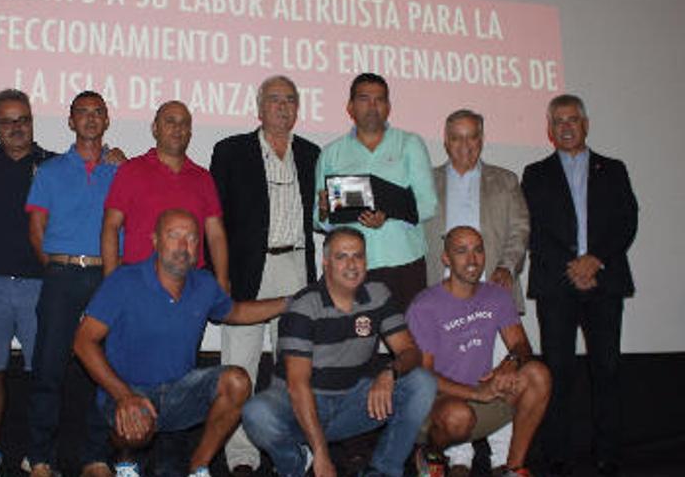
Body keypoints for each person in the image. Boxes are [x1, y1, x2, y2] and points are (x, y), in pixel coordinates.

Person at [74, 209, 290, 477]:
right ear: (155, 241)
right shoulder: (123, 281)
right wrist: (124, 396)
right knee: (136, 424)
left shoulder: (204, 284)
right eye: (173, 235)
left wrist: (288, 303)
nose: (182, 245)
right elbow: (83, 343)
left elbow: (236, 312)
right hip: (126, 392)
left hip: (179, 393)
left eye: (191, 238)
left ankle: (198, 467)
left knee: (238, 381)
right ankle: (124, 457)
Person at [241, 227, 438, 477]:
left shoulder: (378, 295)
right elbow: (297, 385)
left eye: (358, 256)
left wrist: (390, 372)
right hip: (299, 405)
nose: (352, 264)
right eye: (341, 256)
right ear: (325, 262)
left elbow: (409, 351)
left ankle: (383, 470)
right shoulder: (305, 306)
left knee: (422, 382)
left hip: (349, 402)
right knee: (256, 413)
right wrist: (322, 457)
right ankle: (295, 465)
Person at [521, 94, 638, 476]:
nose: (566, 126)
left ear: (586, 125)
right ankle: (557, 453)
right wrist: (572, 265)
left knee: (606, 368)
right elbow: (532, 228)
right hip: (557, 284)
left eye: (573, 120)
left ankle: (608, 453)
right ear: (549, 129)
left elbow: (626, 221)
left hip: (605, 281)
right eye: (558, 121)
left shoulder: (614, 169)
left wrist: (594, 260)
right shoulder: (534, 173)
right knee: (558, 369)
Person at [209, 75, 320, 476]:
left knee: (295, 368)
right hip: (247, 270)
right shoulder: (231, 151)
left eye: (290, 99)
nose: (283, 106)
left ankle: (289, 450)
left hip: (297, 266)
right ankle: (241, 457)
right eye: (274, 99)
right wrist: (217, 276)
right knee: (239, 367)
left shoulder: (311, 153)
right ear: (259, 108)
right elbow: (214, 219)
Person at [23, 91, 123, 477]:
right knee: (48, 369)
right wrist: (57, 269)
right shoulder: (49, 171)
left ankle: (96, 457)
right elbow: (36, 229)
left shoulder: (120, 171)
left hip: (106, 278)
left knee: (105, 369)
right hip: (62, 276)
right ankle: (41, 458)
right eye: (82, 112)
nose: (90, 118)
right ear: (70, 121)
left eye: (98, 112)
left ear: (107, 120)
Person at [408, 226, 550, 477]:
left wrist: (510, 361)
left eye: (478, 250)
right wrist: (476, 392)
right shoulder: (425, 305)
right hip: (437, 406)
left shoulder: (496, 296)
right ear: (446, 259)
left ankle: (513, 468)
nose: (472, 259)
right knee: (458, 415)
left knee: (538, 374)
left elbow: (522, 346)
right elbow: (424, 375)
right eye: (461, 251)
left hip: (482, 398)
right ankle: (431, 454)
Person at [0, 89, 58, 474]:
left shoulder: (54, 165)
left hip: (41, 286)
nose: (15, 128)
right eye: (6, 121)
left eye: (22, 119)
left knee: (44, 375)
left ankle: (38, 453)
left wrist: (111, 156)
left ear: (32, 122)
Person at [315, 73, 437, 309]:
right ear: (350, 107)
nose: (372, 106)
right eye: (364, 99)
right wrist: (323, 212)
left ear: (388, 106)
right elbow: (320, 221)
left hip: (404, 261)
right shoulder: (331, 153)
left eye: (379, 100)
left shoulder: (409, 144)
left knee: (410, 339)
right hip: (352, 267)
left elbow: (428, 203)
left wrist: (388, 214)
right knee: (357, 342)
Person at [101, 101, 229, 290]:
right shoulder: (131, 170)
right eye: (170, 121)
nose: (178, 128)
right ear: (155, 128)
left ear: (190, 132)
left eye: (184, 123)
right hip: (139, 281)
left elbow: (215, 234)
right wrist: (111, 281)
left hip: (190, 283)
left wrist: (222, 279)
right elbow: (111, 226)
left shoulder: (203, 178)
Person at [424, 110, 530, 312]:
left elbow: (520, 230)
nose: (464, 145)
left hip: (493, 288)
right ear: (446, 141)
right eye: (456, 138)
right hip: (439, 292)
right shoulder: (425, 181)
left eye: (471, 137)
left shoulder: (506, 180)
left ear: (481, 140)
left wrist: (506, 267)